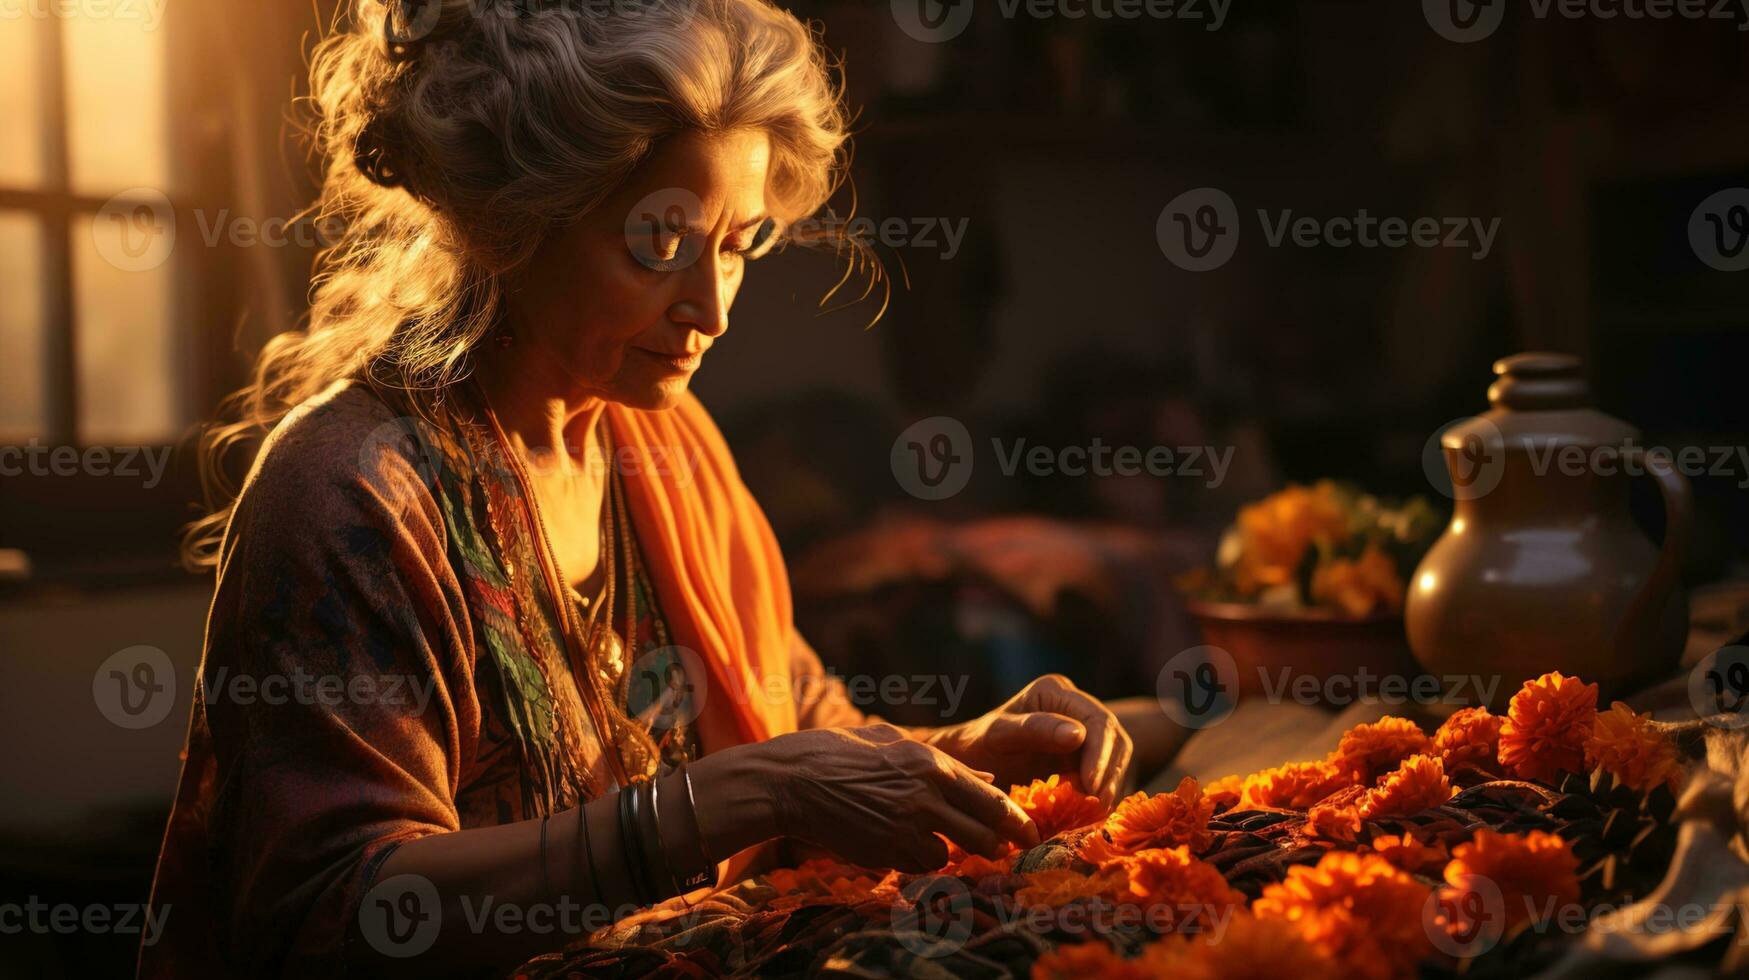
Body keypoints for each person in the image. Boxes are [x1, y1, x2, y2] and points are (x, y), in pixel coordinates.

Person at [142, 2, 1141, 975]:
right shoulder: (356, 492)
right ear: (517, 221)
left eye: (741, 243)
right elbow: (339, 911)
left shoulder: (667, 446)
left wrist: (965, 757)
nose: (710, 308)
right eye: (660, 243)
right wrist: (742, 794)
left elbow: (797, 733)